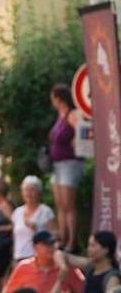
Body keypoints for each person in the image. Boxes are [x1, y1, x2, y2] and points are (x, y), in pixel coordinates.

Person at [2, 230, 84, 293]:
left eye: (53, 243)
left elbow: (85, 292)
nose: (52, 248)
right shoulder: (24, 266)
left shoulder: (67, 268)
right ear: (35, 247)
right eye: (47, 244)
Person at [49, 83, 84, 250]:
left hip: (70, 163)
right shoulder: (59, 115)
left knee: (69, 204)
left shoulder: (72, 114)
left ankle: (72, 241)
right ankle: (62, 238)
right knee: (60, 203)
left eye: (53, 98)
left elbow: (83, 132)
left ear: (59, 98)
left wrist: (75, 141)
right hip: (57, 164)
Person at [11, 175, 55, 262]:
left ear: (39, 192)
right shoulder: (17, 212)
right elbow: (14, 238)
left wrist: (37, 229)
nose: (29, 193)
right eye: (26, 190)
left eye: (32, 190)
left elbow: (55, 235)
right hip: (19, 257)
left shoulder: (46, 211)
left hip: (38, 258)